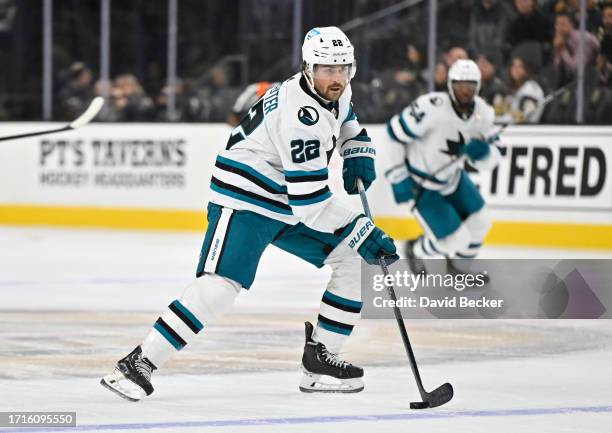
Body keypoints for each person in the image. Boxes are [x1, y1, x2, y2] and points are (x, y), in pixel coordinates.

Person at [100, 26, 399, 401]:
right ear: (308, 68)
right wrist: (362, 228)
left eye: (343, 68)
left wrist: (357, 147)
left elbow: (345, 119)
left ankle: (320, 360)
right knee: (221, 286)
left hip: (288, 200)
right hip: (247, 200)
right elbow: (311, 203)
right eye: (327, 69)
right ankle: (138, 363)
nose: (336, 77)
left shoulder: (336, 87)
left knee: (356, 263)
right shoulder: (299, 117)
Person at [383, 59, 502, 278]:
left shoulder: (484, 114)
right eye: (460, 85)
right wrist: (398, 176)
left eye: (470, 85)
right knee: (455, 240)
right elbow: (392, 134)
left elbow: (495, 158)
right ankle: (416, 249)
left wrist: (484, 154)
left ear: (478, 86)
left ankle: (460, 270)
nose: (465, 91)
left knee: (481, 223)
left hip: (454, 178)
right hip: (423, 185)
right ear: (449, 84)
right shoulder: (431, 107)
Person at [497, 55, 545, 124]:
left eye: (520, 66)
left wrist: (498, 119)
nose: (516, 69)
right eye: (513, 66)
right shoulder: (513, 88)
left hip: (527, 130)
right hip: (511, 128)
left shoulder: (532, 89)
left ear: (527, 69)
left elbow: (521, 118)